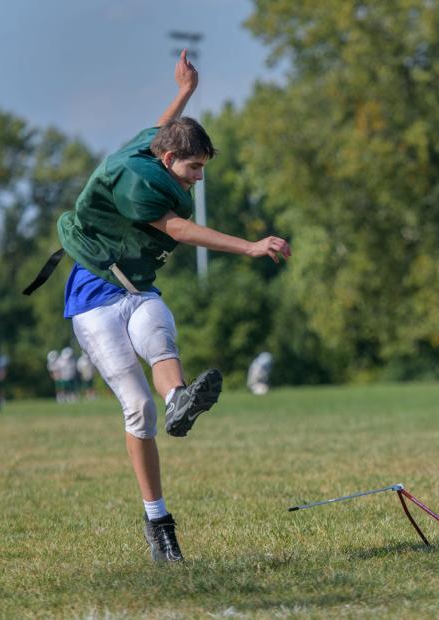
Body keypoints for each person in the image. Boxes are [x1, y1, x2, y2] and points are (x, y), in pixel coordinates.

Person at [49, 50, 291, 561]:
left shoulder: (154, 148)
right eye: (194, 167)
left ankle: (179, 397)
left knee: (159, 335)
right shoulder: (142, 182)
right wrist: (248, 245)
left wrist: (184, 91)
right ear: (167, 163)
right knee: (137, 409)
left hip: (136, 288)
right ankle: (157, 520)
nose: (198, 177)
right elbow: (177, 229)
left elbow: (160, 129)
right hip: (94, 294)